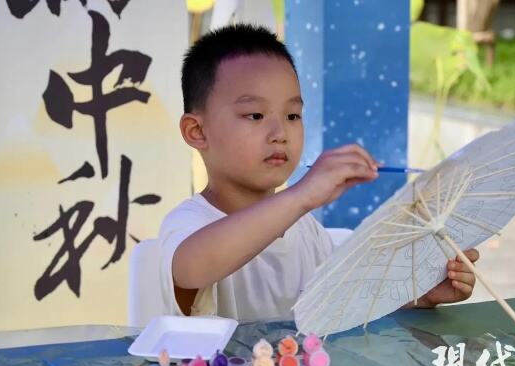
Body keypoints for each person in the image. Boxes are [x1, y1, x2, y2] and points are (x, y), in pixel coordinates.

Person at [158, 24, 480, 322]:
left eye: (293, 115)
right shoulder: (188, 225)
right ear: (197, 131)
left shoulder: (305, 230)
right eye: (255, 115)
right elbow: (192, 267)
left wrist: (417, 295)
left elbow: (347, 297)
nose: (279, 132)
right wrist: (302, 195)